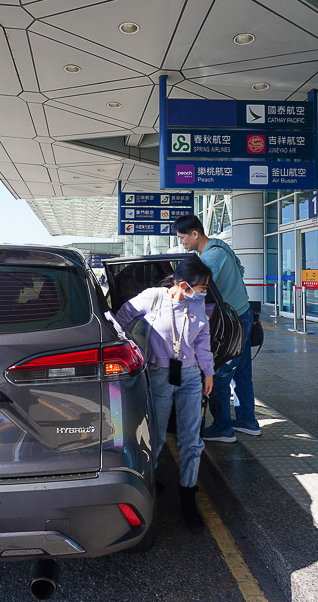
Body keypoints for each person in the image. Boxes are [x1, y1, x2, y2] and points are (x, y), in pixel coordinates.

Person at [113, 256, 215, 532]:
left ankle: (187, 497)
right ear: (183, 285)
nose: (204, 291)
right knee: (155, 437)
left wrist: (208, 371)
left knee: (191, 440)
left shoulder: (197, 303)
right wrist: (130, 354)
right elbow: (118, 320)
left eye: (205, 287)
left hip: (191, 375)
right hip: (159, 374)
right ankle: (151, 486)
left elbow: (203, 340)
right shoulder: (152, 298)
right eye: (201, 287)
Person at [173, 214, 260, 444]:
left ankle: (223, 428)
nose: (182, 242)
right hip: (243, 314)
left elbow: (196, 289)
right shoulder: (222, 247)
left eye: (183, 237)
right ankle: (247, 422)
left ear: (195, 234)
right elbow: (239, 271)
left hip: (232, 322)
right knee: (242, 374)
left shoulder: (211, 256)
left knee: (220, 374)